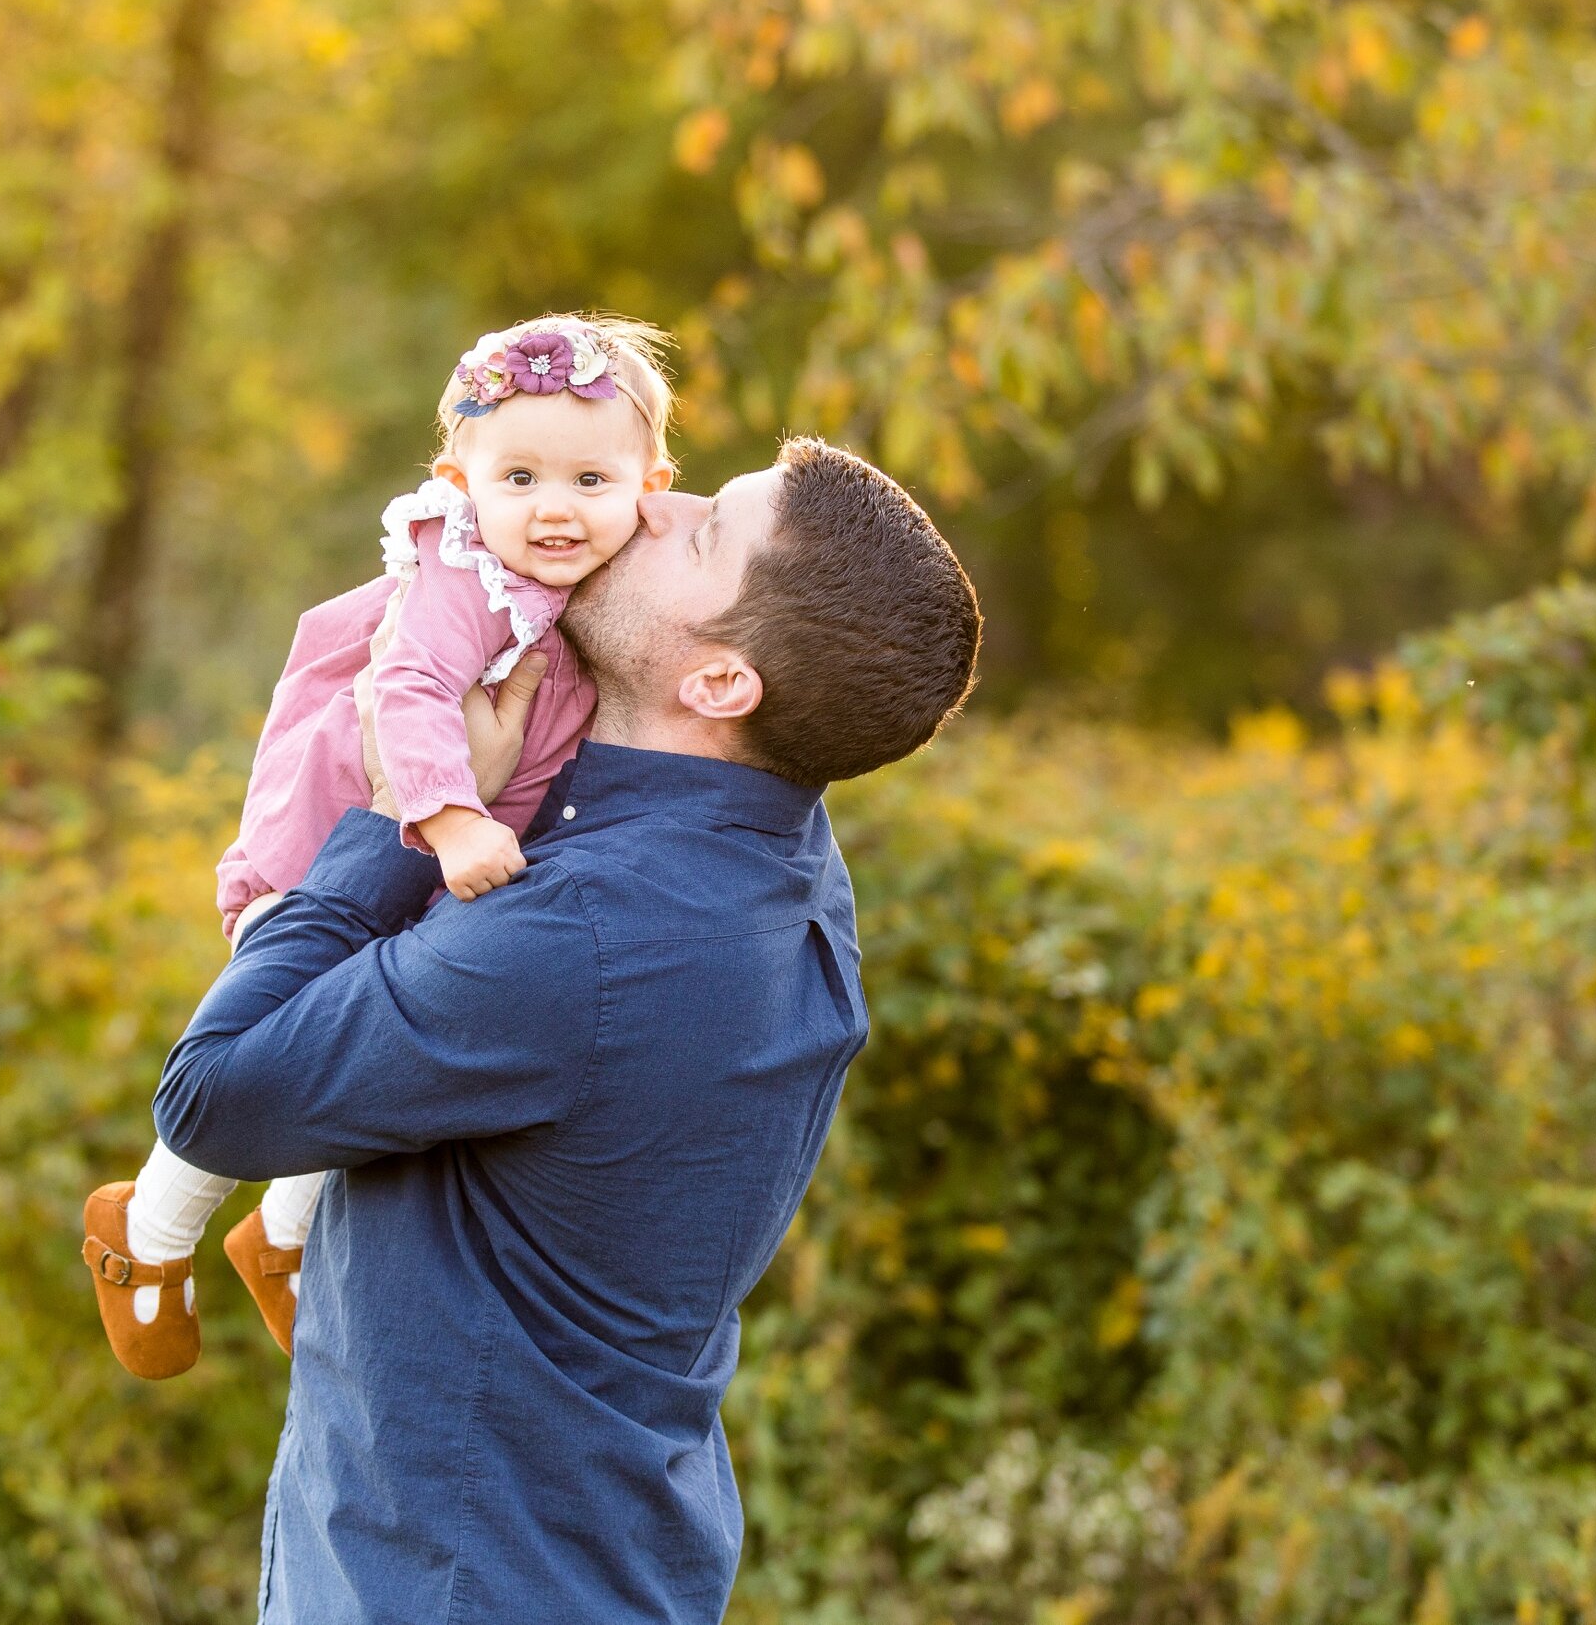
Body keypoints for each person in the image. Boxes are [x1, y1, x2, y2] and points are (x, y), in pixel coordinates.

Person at [138, 436, 980, 1623]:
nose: (651, 501)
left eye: (702, 529)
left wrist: (396, 816)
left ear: (722, 683)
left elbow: (212, 1095)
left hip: (452, 1587)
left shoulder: (582, 933)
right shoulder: (774, 853)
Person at [84, 314, 678, 1379]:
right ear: (460, 479)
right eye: (521, 477)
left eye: (592, 479)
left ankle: (280, 1235)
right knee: (282, 1035)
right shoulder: (463, 575)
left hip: (439, 871)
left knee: (366, 1046)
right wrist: (449, 814)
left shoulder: (613, 577)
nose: (554, 507)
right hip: (343, 838)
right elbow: (404, 691)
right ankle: (147, 1230)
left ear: (651, 485)